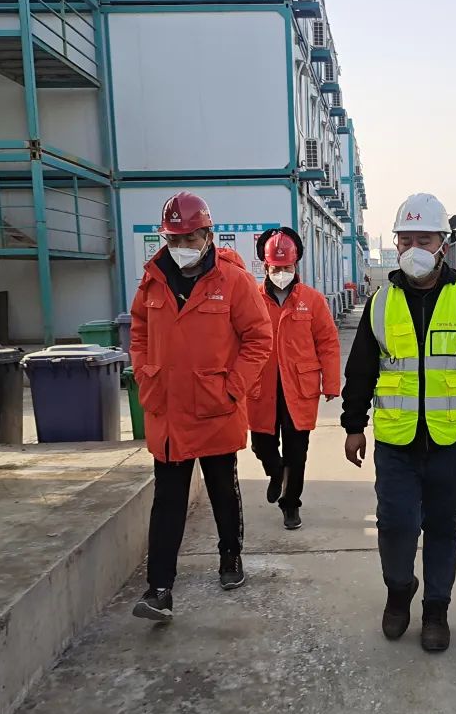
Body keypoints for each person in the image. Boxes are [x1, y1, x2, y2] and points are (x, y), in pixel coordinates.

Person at [341, 193, 456, 653]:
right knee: (394, 524)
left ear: (442, 245)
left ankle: (436, 609)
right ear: (395, 244)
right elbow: (361, 369)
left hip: (452, 439)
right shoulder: (381, 302)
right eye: (406, 240)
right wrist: (353, 424)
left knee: (443, 526)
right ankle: (399, 591)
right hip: (396, 439)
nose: (414, 248)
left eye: (424, 240)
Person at [130, 191, 273, 622]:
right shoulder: (153, 279)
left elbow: (258, 339)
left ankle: (230, 556)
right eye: (173, 238)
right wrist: (145, 374)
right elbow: (139, 331)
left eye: (189, 238)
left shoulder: (233, 281)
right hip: (169, 411)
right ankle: (159, 589)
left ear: (208, 235)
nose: (181, 246)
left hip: (215, 407)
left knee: (222, 490)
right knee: (167, 500)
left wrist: (232, 388)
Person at [248, 227, 340, 530]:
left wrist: (331, 383)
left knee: (297, 450)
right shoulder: (251, 299)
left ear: (295, 265)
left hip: (299, 387)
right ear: (265, 266)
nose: (281, 273)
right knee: (261, 444)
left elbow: (327, 342)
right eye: (276, 268)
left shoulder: (312, 300)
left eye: (286, 267)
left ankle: (291, 504)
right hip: (261, 385)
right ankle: (276, 474)